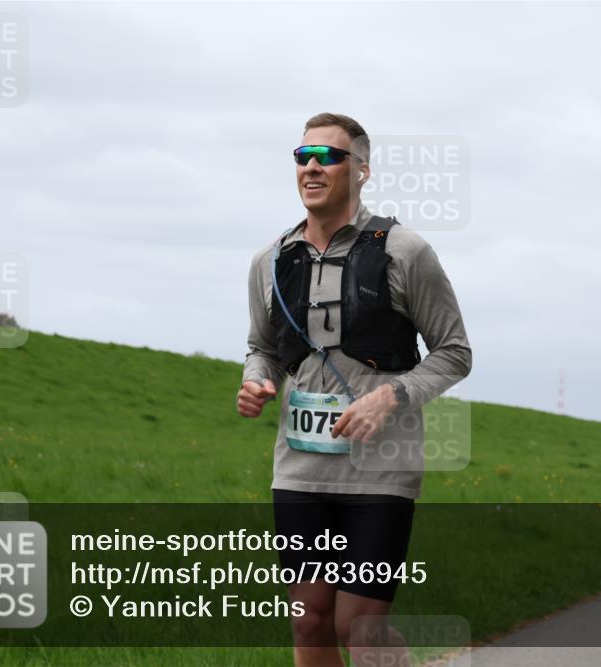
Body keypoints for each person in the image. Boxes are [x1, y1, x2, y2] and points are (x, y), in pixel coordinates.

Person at [237, 113, 473, 667]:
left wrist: (392, 395)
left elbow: (455, 352)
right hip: (299, 468)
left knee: (360, 627)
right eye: (303, 157)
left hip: (381, 470)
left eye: (328, 156)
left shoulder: (405, 252)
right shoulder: (268, 261)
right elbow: (261, 346)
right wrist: (256, 380)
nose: (312, 167)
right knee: (310, 622)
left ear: (361, 170)